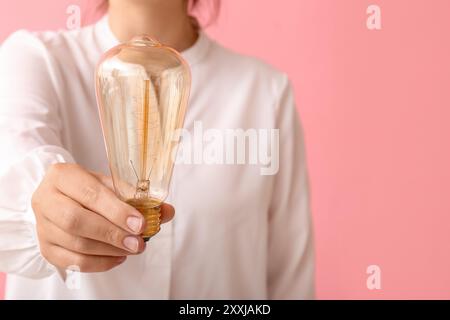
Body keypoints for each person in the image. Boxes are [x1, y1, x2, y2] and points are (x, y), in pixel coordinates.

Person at [0, 0, 314, 299]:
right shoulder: (32, 59)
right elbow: (14, 167)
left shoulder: (266, 92)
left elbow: (289, 282)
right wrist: (42, 210)